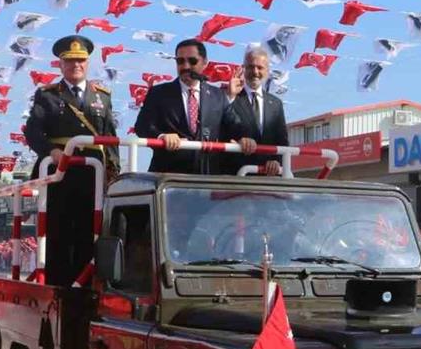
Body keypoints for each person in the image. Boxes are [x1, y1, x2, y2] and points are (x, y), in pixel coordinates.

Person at [23, 35, 118, 285]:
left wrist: (114, 172)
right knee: (60, 232)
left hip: (93, 176)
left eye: (81, 60)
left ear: (88, 63)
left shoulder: (102, 96)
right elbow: (32, 131)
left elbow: (110, 135)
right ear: (60, 65)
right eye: (70, 61)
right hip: (60, 173)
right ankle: (60, 286)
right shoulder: (48, 95)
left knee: (91, 232)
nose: (76, 65)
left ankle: (87, 285)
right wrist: (50, 151)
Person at [133, 38, 227, 174]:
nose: (186, 66)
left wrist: (244, 138)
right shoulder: (159, 93)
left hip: (206, 179)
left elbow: (232, 126)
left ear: (205, 63)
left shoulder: (218, 96)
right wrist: (162, 136)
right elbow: (142, 126)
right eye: (180, 61)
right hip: (168, 178)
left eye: (192, 61)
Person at [220, 48, 289, 176]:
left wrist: (276, 161)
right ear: (243, 68)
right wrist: (229, 97)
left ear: (267, 71)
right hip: (235, 176)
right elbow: (220, 128)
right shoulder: (229, 96)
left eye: (260, 67)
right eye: (251, 67)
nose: (255, 72)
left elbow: (282, 141)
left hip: (267, 178)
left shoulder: (275, 104)